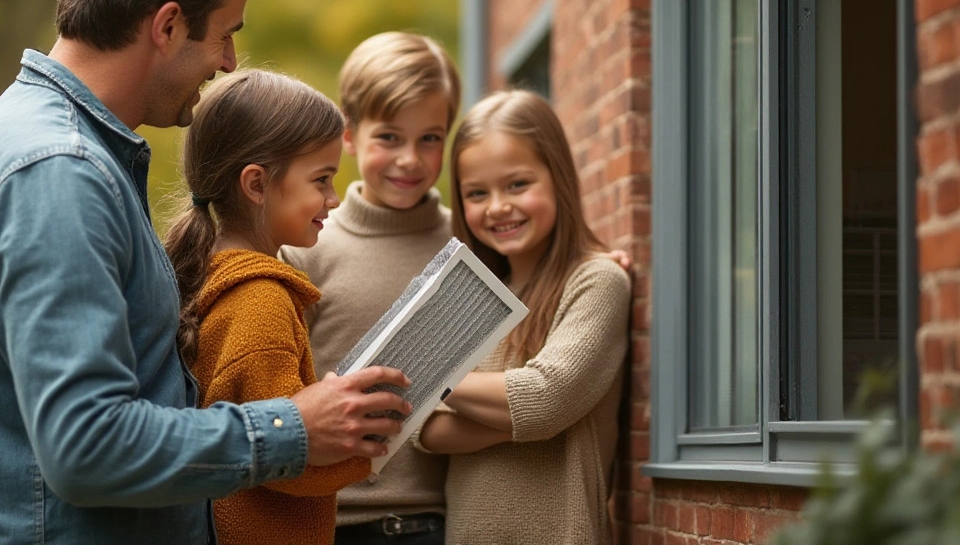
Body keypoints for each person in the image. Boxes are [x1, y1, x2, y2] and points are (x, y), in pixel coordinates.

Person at [0, 0, 410, 545]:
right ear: (168, 24)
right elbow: (86, 446)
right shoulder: (56, 173)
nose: (230, 62)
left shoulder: (58, 153)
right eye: (226, 35)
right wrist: (294, 429)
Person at [164, 68, 375, 545]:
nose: (333, 199)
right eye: (320, 180)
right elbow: (288, 455)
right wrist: (365, 440)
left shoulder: (208, 274)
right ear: (256, 185)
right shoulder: (261, 300)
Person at [417, 89, 632, 545]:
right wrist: (523, 420)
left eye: (517, 184)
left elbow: (547, 396)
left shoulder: (597, 280)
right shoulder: (469, 301)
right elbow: (424, 431)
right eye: (477, 193)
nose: (497, 206)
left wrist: (434, 375)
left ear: (558, 178)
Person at [280, 32, 461, 544]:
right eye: (389, 137)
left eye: (430, 138)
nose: (410, 159)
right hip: (329, 523)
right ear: (350, 134)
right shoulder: (307, 245)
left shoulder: (468, 244)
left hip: (436, 522)